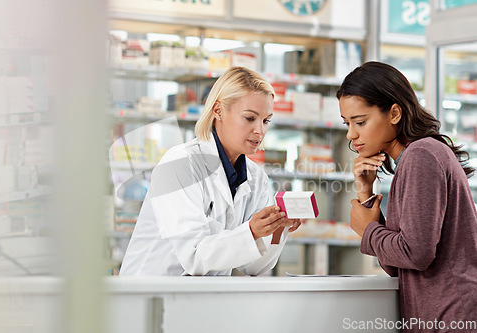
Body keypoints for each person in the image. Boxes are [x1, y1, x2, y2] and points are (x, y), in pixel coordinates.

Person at [120, 66, 302, 276]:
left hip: (202, 298)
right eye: (250, 118)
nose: (260, 130)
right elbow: (194, 255)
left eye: (266, 120)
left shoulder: (257, 178)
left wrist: (276, 229)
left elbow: (253, 267)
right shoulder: (181, 163)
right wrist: (251, 231)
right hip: (149, 294)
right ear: (218, 111)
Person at [338, 61, 477, 332]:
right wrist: (365, 193)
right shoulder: (414, 159)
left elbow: (416, 254)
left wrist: (367, 229)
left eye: (360, 122)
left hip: (452, 316)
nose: (351, 135)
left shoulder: (421, 155)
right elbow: (397, 265)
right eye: (347, 123)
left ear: (394, 113)